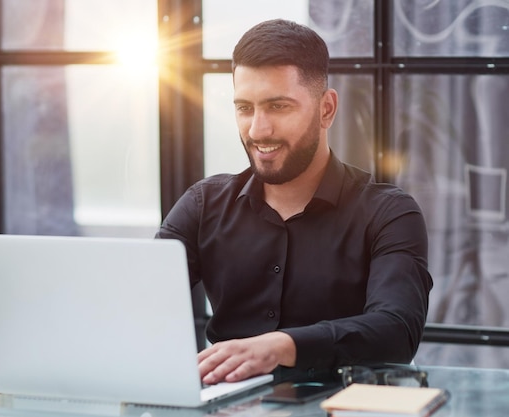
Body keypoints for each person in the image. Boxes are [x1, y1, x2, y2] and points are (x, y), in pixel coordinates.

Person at [156, 19, 433, 385]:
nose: (258, 129)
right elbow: (141, 300)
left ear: (326, 109)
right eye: (244, 108)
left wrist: (283, 346)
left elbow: (396, 329)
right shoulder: (202, 205)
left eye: (278, 107)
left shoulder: (390, 214)